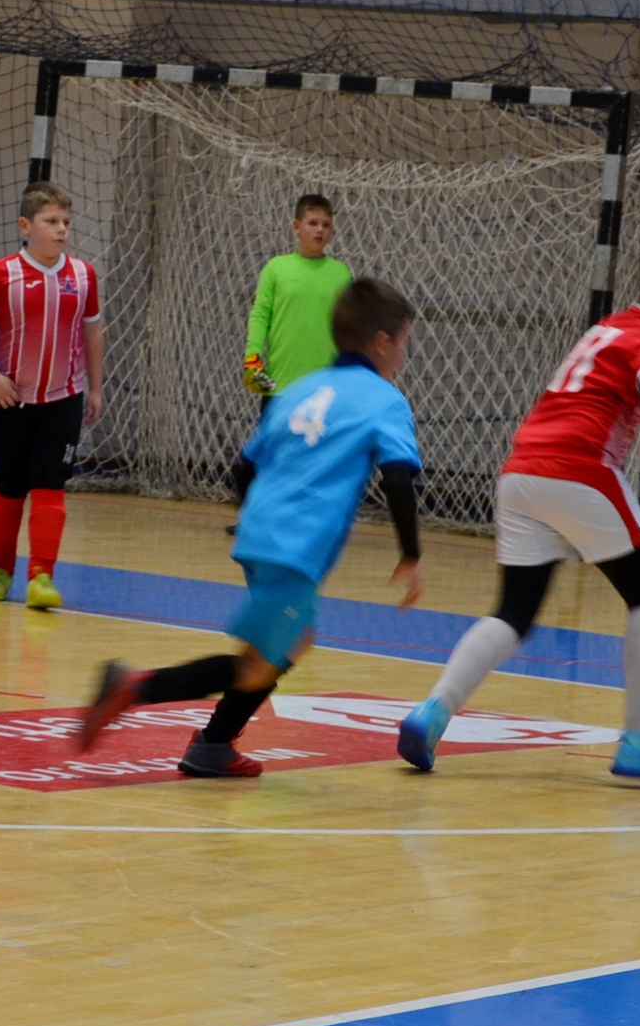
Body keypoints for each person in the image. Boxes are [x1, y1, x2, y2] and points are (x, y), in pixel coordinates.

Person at [397, 235, 640, 783]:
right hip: (579, 469)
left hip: (520, 472)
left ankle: (432, 710)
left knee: (513, 611)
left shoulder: (612, 326)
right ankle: (639, 741)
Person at [80, 277, 424, 778]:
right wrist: (411, 554)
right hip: (297, 548)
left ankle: (213, 746)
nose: (406, 356)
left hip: (259, 533)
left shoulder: (298, 389)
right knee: (257, 664)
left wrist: (260, 521)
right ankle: (135, 687)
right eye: (405, 343)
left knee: (291, 641)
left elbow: (242, 470)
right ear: (382, 343)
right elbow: (397, 478)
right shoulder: (384, 400)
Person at [0, 181, 104, 612]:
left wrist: (95, 387)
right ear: (26, 226)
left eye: (66, 222)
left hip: (64, 400)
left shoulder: (83, 275)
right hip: (12, 402)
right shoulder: (2, 273)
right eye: (51, 221)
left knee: (50, 488)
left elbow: (93, 330)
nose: (61, 230)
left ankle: (42, 577)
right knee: (8, 489)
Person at [227, 194, 352, 513]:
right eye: (312, 223)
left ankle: (303, 519)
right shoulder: (277, 269)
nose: (319, 230)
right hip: (280, 381)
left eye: (326, 225)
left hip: (324, 386)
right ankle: (254, 517)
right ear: (297, 226)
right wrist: (253, 358)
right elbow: (260, 315)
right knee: (267, 453)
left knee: (315, 457)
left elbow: (349, 327)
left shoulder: (341, 273)